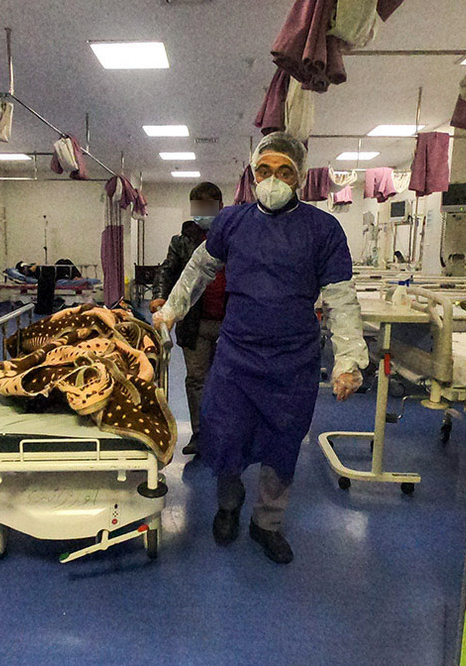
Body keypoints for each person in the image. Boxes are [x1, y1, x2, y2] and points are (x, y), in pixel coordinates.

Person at [153, 132, 368, 564]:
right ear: (252, 175)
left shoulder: (323, 229)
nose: (273, 180)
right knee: (226, 434)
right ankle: (228, 507)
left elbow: (341, 297)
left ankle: (267, 522)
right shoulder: (232, 222)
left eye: (284, 171)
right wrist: (172, 309)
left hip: (294, 359)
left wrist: (348, 360)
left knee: (283, 442)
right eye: (264, 171)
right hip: (237, 355)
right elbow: (199, 268)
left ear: (299, 176)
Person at [150, 182, 227, 457]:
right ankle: (199, 434)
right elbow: (166, 270)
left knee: (226, 379)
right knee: (196, 379)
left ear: (220, 207)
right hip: (195, 323)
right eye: (198, 206)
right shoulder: (181, 241)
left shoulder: (233, 236)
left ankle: (223, 433)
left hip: (230, 323)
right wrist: (160, 297)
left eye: (208, 206)